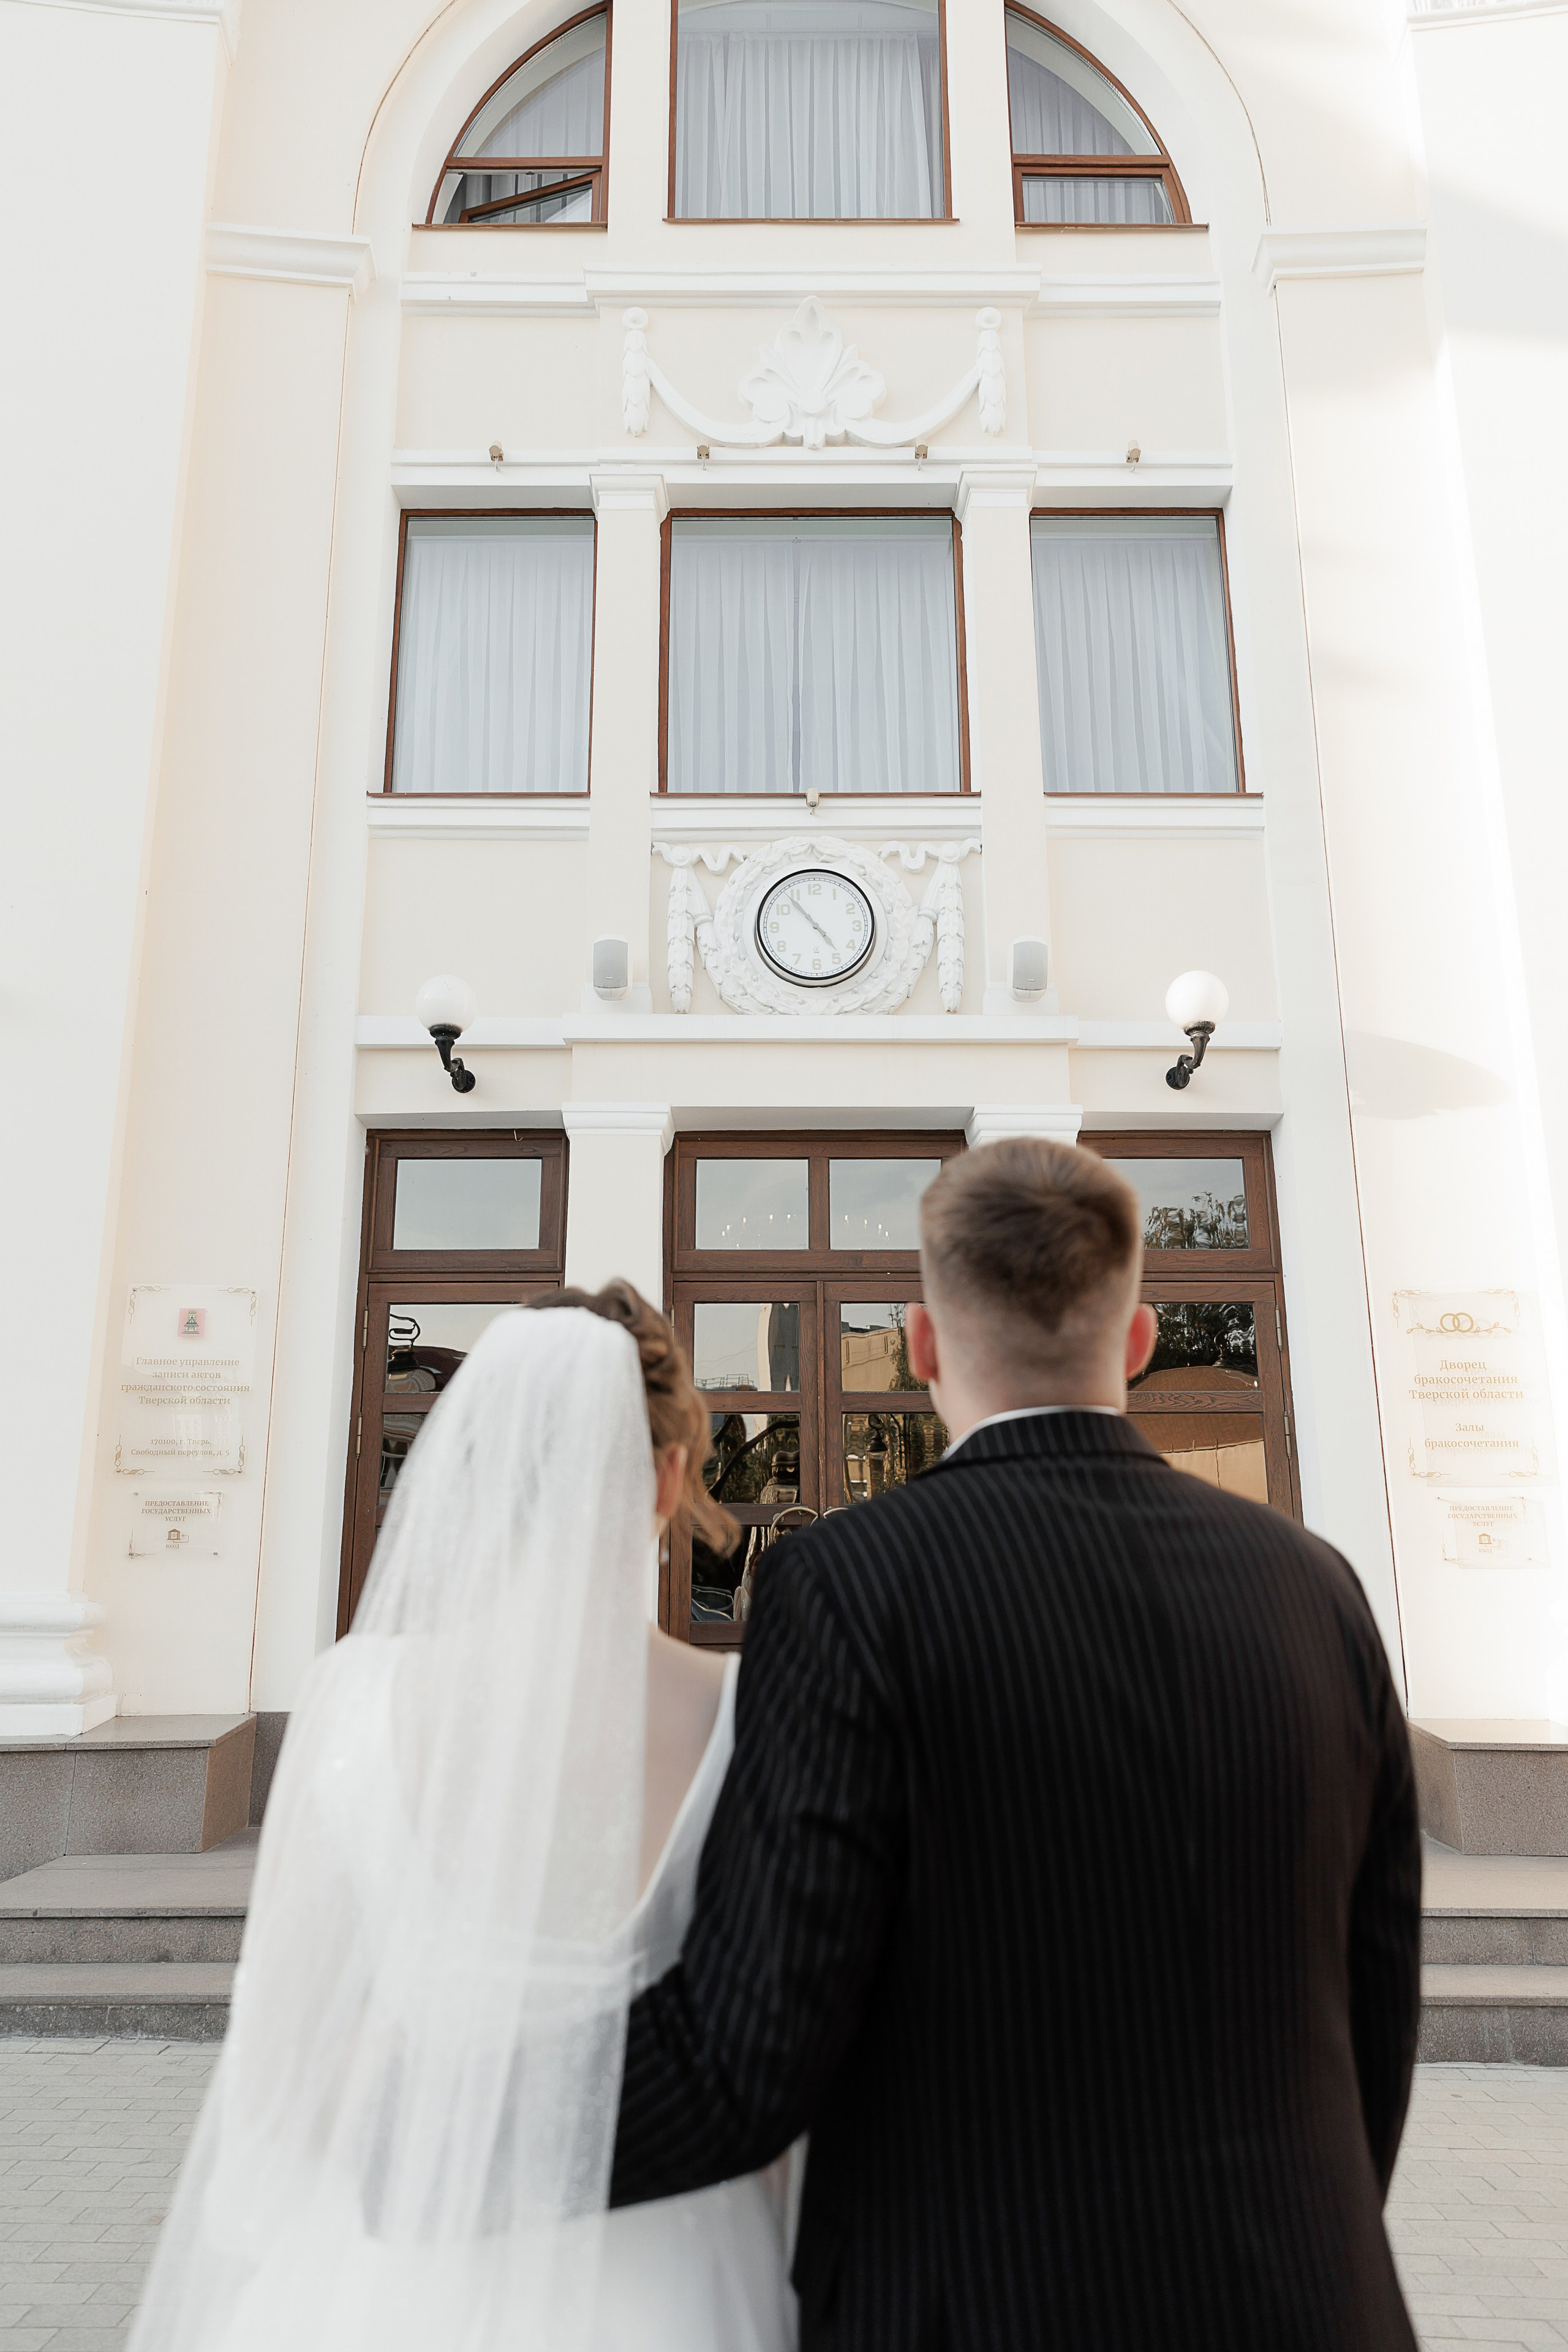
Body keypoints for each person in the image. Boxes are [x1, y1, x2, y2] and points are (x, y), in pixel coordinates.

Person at [611, 1138, 1422, 2352]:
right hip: (1306, 2297)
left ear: (923, 1346)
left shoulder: (845, 1588)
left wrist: (437, 2123)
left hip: (970, 2303)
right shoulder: (1318, 1589)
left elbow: (748, 2054)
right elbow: (1376, 2002)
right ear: (1139, 1340)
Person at [127, 1287, 797, 2352]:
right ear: (670, 1474)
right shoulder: (742, 1713)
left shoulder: (350, 1698)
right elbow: (771, 2045)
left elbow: (285, 2054)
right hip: (673, 2265)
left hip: (393, 2265)